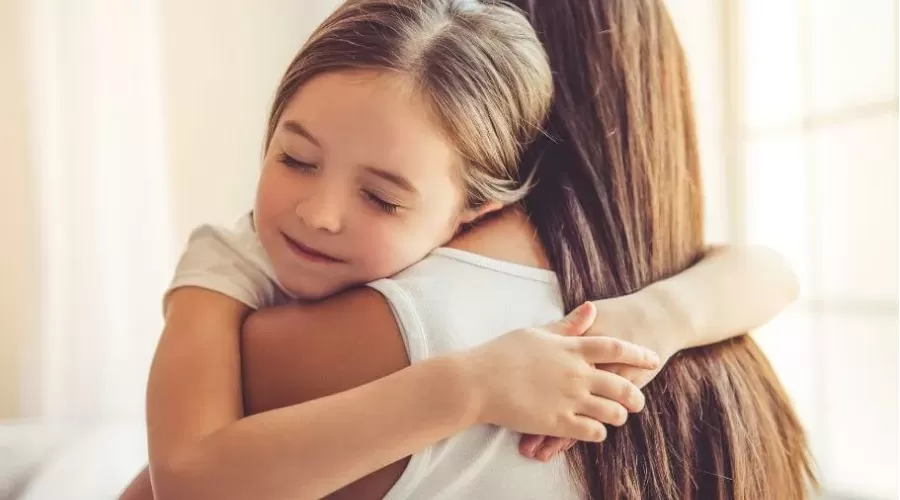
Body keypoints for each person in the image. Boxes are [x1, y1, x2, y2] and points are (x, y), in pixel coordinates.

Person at [121, 0, 804, 499]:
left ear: (475, 210)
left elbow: (771, 270)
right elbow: (183, 479)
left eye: (383, 198)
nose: (319, 214)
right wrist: (469, 385)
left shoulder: (590, 283)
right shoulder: (228, 262)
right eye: (295, 159)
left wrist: (653, 322)